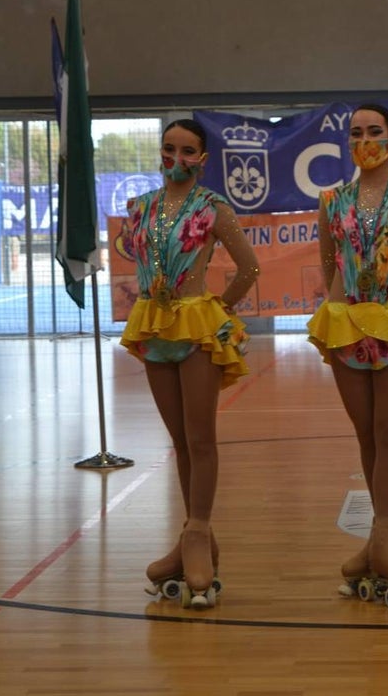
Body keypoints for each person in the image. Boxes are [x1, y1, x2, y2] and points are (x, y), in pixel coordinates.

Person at [120, 118, 261, 609]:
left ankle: (197, 533)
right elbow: (131, 257)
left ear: (202, 158)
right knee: (179, 440)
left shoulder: (212, 208)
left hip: (196, 326)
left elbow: (250, 267)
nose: (175, 158)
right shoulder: (138, 210)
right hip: (154, 326)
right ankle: (193, 535)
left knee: (201, 439)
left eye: (187, 150)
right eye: (168, 148)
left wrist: (220, 309)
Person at [307, 103, 388, 608]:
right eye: (356, 132)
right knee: (366, 433)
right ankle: (383, 537)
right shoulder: (331, 201)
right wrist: (347, 310)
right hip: (345, 322)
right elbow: (327, 264)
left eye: (374, 131)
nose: (364, 139)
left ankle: (384, 531)